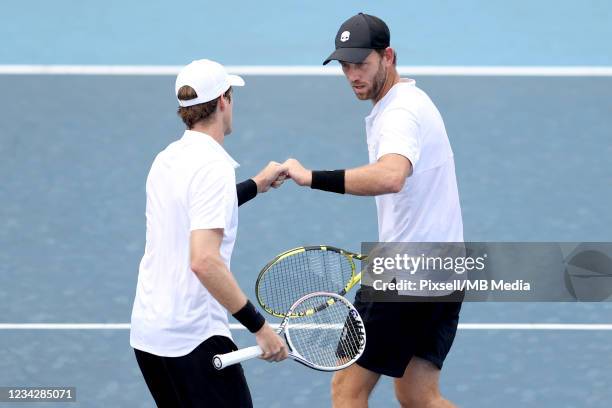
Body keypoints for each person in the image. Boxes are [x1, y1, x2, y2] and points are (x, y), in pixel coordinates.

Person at [283, 13, 464, 408]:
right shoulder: (412, 101)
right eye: (345, 67)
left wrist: (311, 177)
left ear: (389, 56)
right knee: (419, 395)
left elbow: (391, 176)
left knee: (347, 390)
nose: (352, 76)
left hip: (407, 276)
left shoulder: (398, 114)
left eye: (361, 64)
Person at [130, 59, 288, 408]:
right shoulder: (214, 167)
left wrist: (256, 185)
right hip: (194, 340)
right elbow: (204, 261)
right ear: (223, 101)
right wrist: (259, 327)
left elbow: (196, 210)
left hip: (149, 337)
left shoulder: (166, 159)